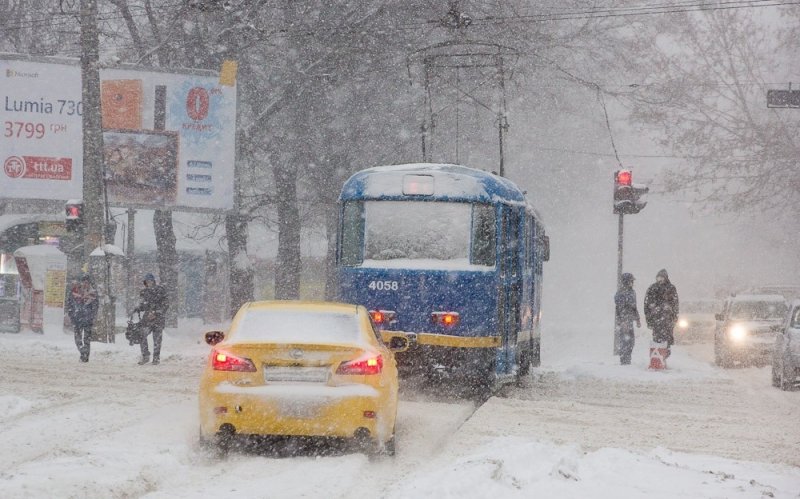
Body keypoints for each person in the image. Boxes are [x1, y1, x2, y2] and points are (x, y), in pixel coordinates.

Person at [133, 273, 169, 365]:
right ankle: (145, 356)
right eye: (147, 282)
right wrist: (138, 308)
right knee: (142, 335)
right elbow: (143, 305)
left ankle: (156, 358)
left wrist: (156, 312)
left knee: (157, 339)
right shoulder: (144, 292)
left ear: (153, 281)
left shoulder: (161, 291)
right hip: (147, 320)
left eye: (150, 281)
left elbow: (165, 305)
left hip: (158, 319)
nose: (148, 283)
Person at [644, 269, 679, 356]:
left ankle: (664, 356)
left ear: (666, 278)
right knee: (657, 339)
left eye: (662, 277)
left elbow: (675, 304)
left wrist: (674, 316)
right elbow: (646, 305)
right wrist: (649, 320)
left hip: (667, 319)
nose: (660, 279)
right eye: (658, 277)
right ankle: (658, 358)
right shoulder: (652, 288)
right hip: (656, 319)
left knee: (667, 340)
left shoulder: (671, 288)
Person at [66, 274, 99, 363]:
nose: (85, 284)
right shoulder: (74, 292)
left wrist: (92, 317)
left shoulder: (93, 294)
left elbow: (95, 307)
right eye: (83, 282)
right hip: (77, 319)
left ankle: (85, 357)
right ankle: (82, 351)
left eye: (87, 282)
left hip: (88, 320)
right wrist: (71, 315)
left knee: (87, 339)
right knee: (78, 339)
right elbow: (69, 304)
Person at [614, 272, 641, 365]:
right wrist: (622, 321)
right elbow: (620, 309)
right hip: (624, 321)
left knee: (631, 342)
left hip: (630, 321)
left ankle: (627, 360)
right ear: (626, 281)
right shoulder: (621, 293)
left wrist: (637, 319)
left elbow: (634, 307)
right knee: (625, 341)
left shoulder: (632, 292)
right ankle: (624, 361)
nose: (632, 283)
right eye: (631, 281)